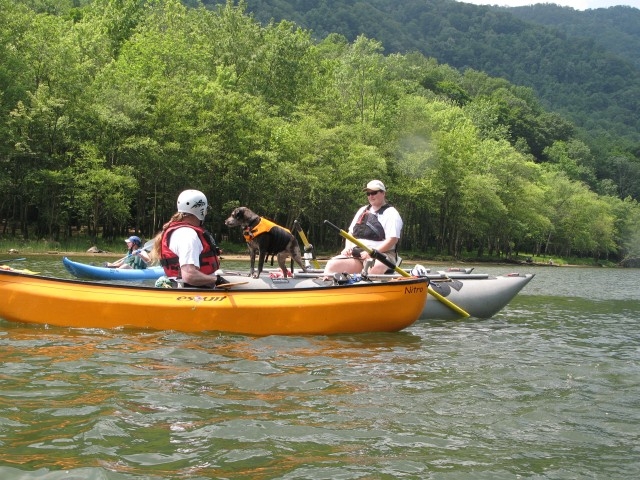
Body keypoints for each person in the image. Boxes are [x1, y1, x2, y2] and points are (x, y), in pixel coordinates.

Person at [323, 179, 403, 275]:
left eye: (374, 192)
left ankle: (369, 285)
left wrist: (372, 253)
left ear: (383, 193)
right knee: (332, 265)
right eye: (368, 194)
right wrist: (347, 248)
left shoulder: (391, 213)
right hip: (357, 254)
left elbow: (392, 240)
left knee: (373, 269)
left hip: (382, 255)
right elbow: (350, 234)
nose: (371, 196)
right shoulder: (362, 210)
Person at [151, 189, 223, 288]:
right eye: (205, 210)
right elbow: (190, 276)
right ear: (201, 211)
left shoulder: (182, 232)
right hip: (193, 293)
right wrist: (217, 280)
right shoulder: (188, 235)